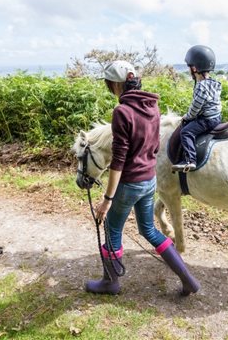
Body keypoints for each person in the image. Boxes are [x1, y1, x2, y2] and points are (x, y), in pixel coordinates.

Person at [86, 60, 200, 296]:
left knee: (112, 227)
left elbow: (118, 160)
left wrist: (107, 199)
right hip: (150, 179)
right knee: (148, 229)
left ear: (116, 85)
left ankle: (111, 282)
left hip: (130, 183)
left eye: (109, 85)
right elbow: (153, 144)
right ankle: (188, 279)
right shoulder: (152, 106)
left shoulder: (122, 112)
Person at [172, 45, 222, 172]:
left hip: (207, 119)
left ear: (194, 68)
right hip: (216, 117)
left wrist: (187, 116)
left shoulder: (201, 86)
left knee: (186, 132)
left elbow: (195, 108)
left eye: (189, 67)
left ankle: (190, 160)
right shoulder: (214, 83)